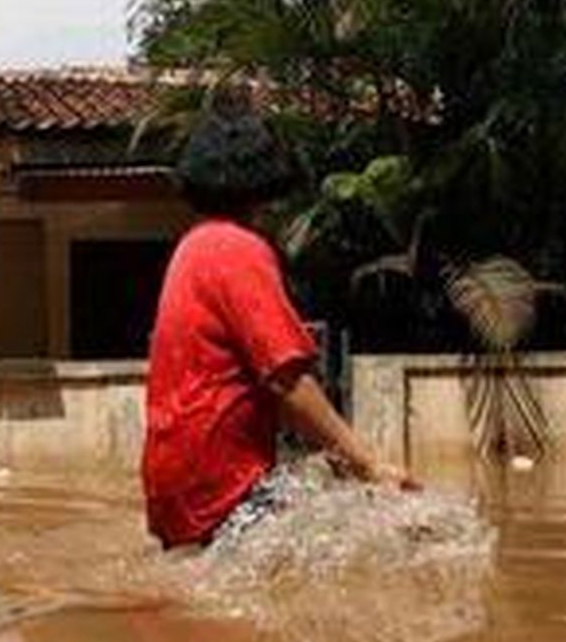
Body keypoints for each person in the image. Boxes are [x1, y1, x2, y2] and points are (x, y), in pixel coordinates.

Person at [143, 111, 419, 550]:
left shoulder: (193, 246)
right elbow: (286, 377)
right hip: (222, 481)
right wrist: (370, 465)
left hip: (174, 484)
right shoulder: (239, 249)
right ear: (265, 189)